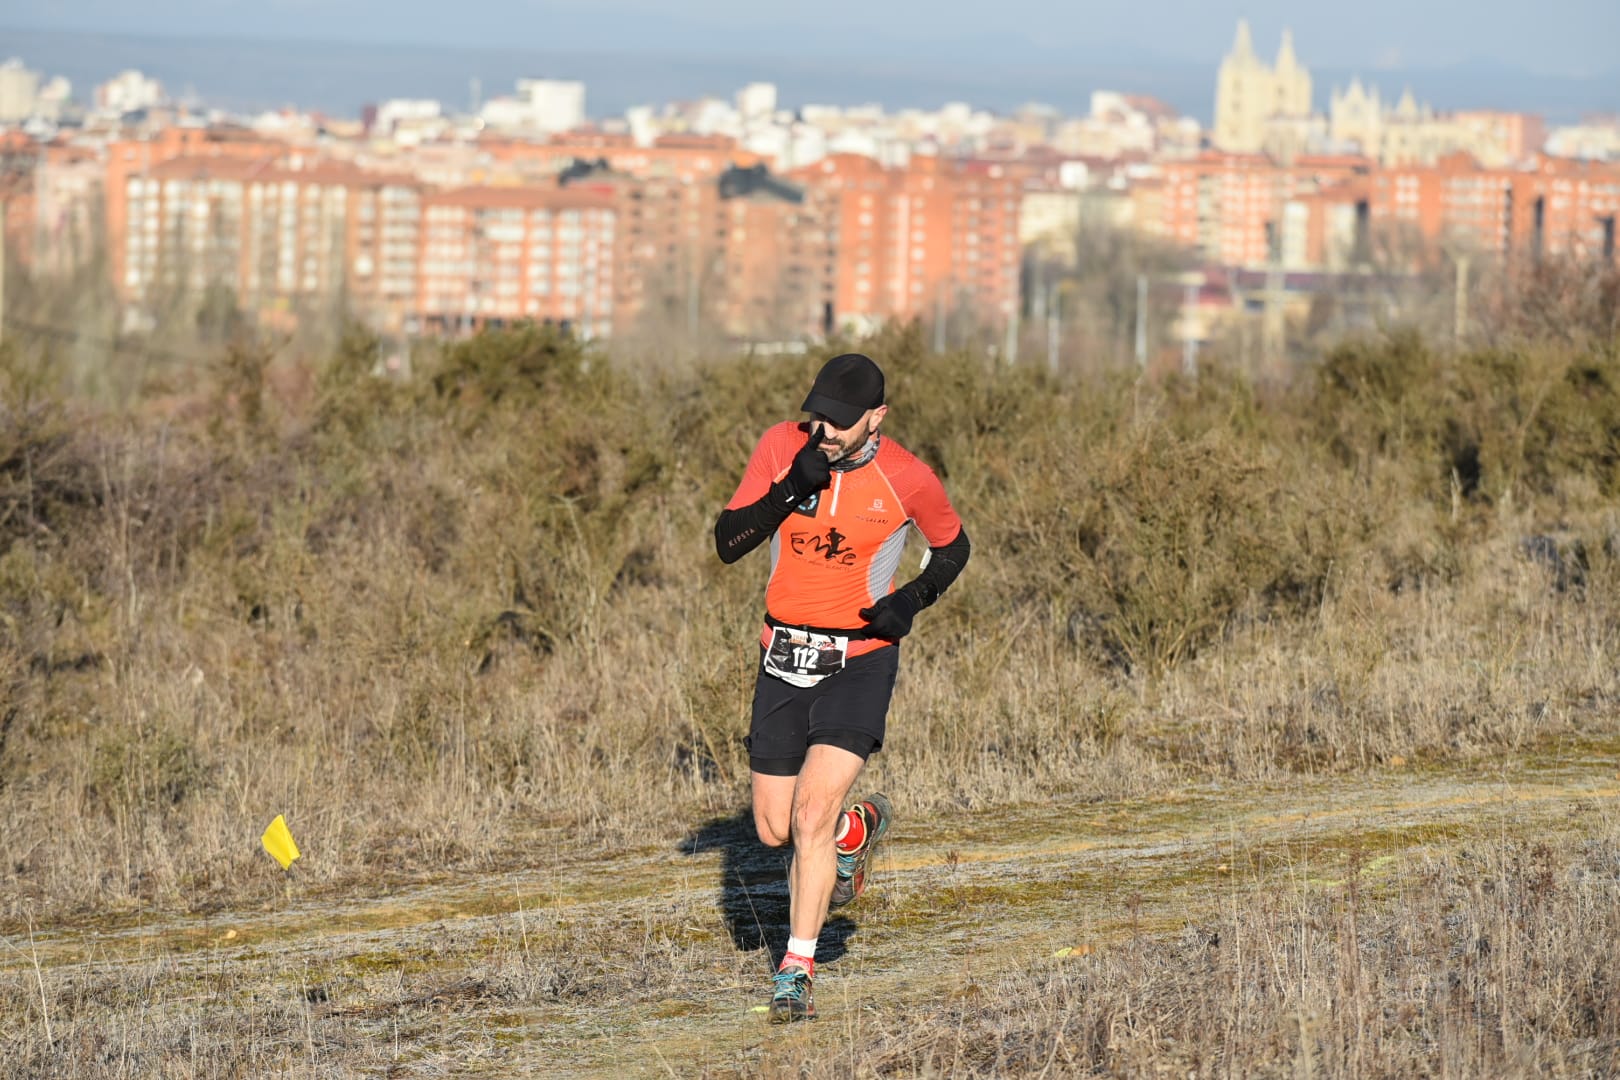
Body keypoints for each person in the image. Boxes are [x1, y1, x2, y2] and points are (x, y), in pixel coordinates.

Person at [713, 351, 971, 1022]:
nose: (824, 430)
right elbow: (728, 542)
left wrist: (911, 601)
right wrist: (785, 490)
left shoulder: (908, 477)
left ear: (876, 418)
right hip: (782, 657)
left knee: (808, 819)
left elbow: (953, 549)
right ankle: (856, 832)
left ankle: (795, 970)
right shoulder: (782, 447)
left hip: (859, 661)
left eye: (840, 421)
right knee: (773, 831)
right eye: (817, 416)